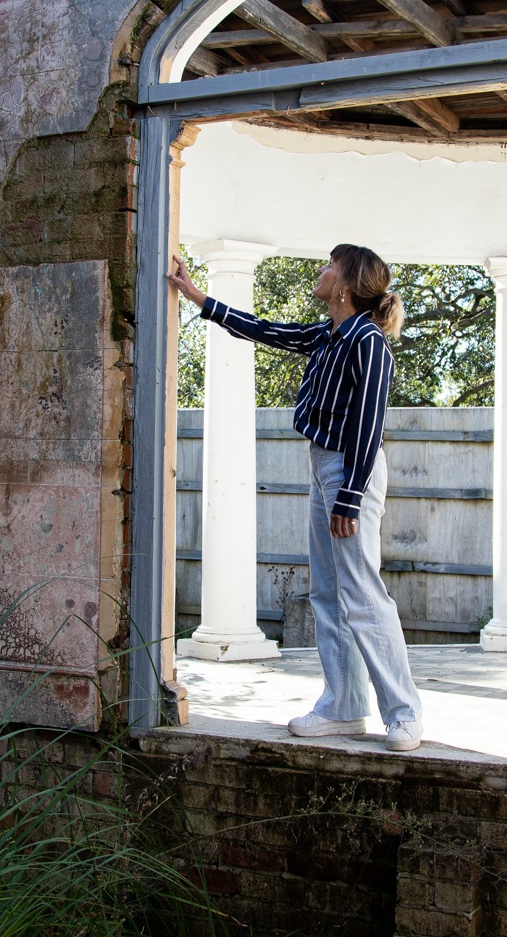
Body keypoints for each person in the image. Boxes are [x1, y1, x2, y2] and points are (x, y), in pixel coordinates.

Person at [168, 244, 425, 752]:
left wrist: (348, 497)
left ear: (346, 285)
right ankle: (344, 707)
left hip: (352, 472)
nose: (322, 271)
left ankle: (405, 713)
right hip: (324, 468)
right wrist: (196, 294)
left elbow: (369, 423)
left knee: (363, 594)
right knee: (329, 595)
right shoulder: (329, 334)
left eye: (330, 265)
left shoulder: (368, 342)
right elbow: (264, 329)